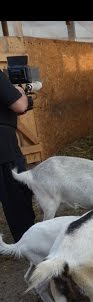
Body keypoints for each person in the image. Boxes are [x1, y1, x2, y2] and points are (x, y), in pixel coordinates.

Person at [0, 70, 35, 242]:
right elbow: (20, 106)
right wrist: (21, 92)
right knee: (16, 194)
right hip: (3, 147)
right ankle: (28, 241)